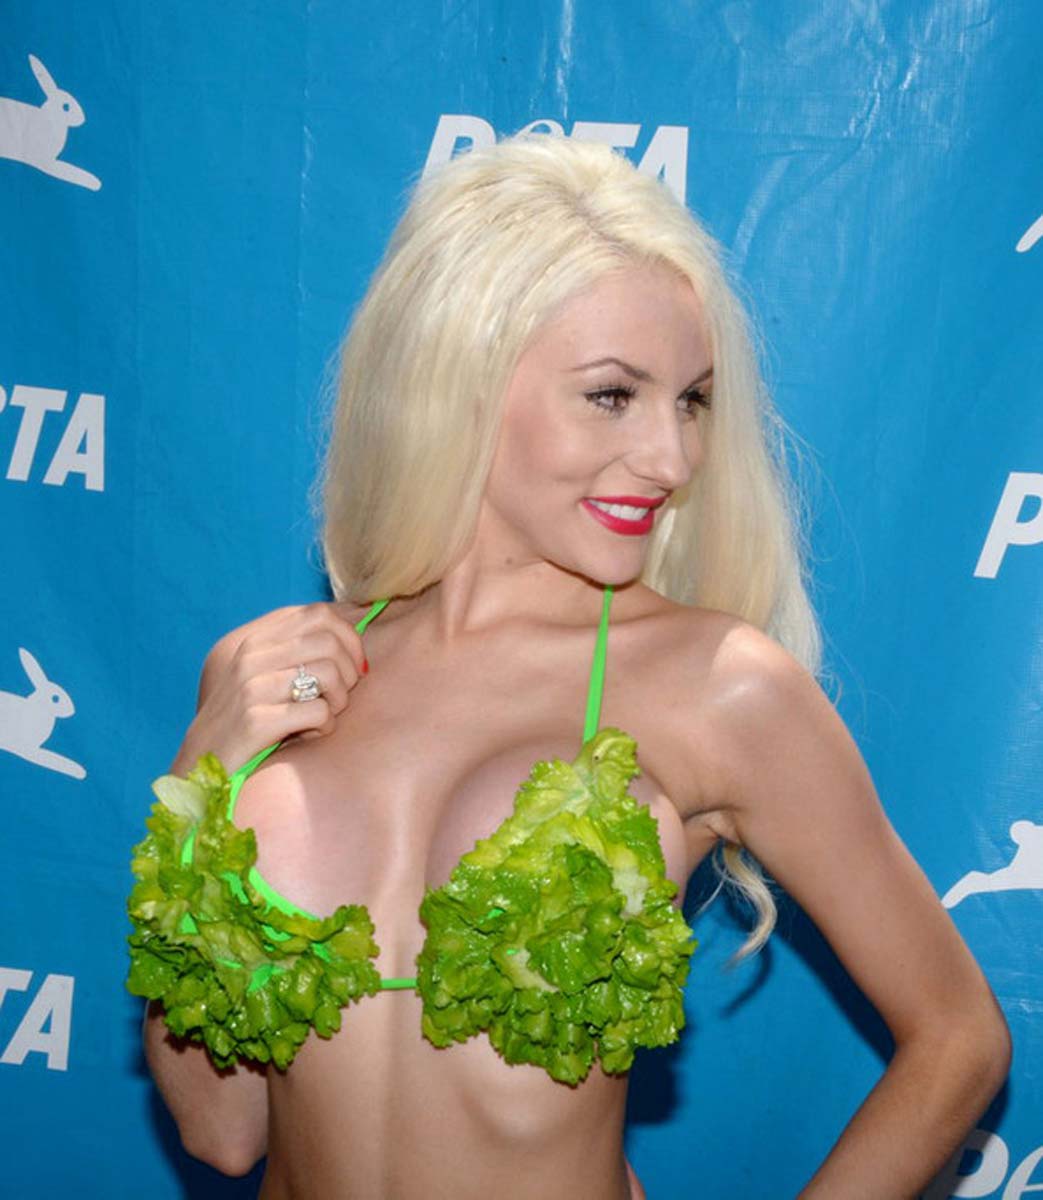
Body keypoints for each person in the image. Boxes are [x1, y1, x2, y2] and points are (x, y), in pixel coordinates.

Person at [134, 133, 1011, 1199]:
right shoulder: (278, 671)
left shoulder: (716, 688)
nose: (671, 458)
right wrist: (203, 777)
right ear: (457, 379)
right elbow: (222, 1128)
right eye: (611, 395)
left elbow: (958, 1036)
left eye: (690, 400)